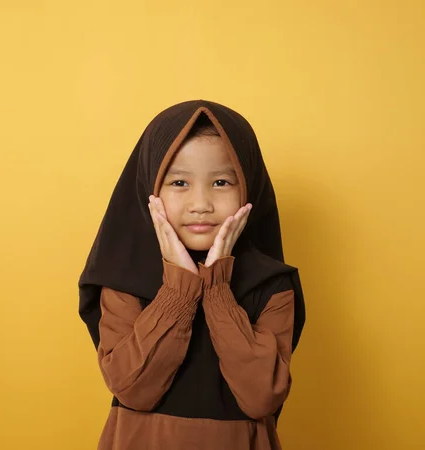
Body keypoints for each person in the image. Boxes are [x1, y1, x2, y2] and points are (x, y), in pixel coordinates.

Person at [79, 100, 305, 450]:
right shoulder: (124, 280)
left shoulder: (271, 284)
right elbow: (133, 389)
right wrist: (180, 290)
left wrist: (216, 287)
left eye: (220, 182)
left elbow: (261, 397)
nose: (201, 203)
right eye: (180, 182)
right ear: (150, 189)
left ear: (249, 186)